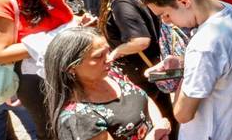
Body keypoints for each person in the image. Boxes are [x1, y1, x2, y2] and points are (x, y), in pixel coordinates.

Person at [139, 0, 232, 140]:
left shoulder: (203, 46)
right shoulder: (229, 11)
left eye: (165, 14)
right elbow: (221, 61)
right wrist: (182, 62)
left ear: (183, 2)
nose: (166, 22)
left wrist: (182, 74)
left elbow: (182, 114)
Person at [89, 0, 177, 138]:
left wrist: (116, 52)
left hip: (140, 71)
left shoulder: (121, 4)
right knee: (164, 113)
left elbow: (140, 41)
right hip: (151, 65)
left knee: (155, 117)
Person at [0, 0, 76, 140]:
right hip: (35, 82)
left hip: (66, 71)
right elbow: (0, 53)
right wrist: (53, 42)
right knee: (54, 133)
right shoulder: (4, 0)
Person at [43, 27, 171, 140]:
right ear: (71, 68)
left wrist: (159, 124)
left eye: (108, 51)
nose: (109, 58)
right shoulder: (78, 118)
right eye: (98, 56)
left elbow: (143, 97)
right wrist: (155, 135)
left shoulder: (111, 73)